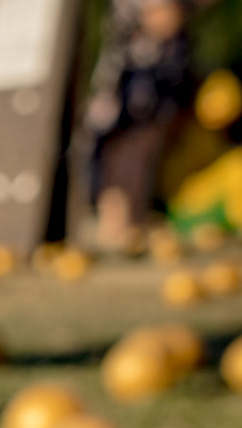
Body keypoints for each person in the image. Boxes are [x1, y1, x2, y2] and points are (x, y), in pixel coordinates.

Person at [84, 0, 198, 249]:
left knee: (142, 160)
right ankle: (115, 223)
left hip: (152, 109)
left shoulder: (173, 48)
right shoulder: (133, 45)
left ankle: (132, 221)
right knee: (121, 163)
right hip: (125, 107)